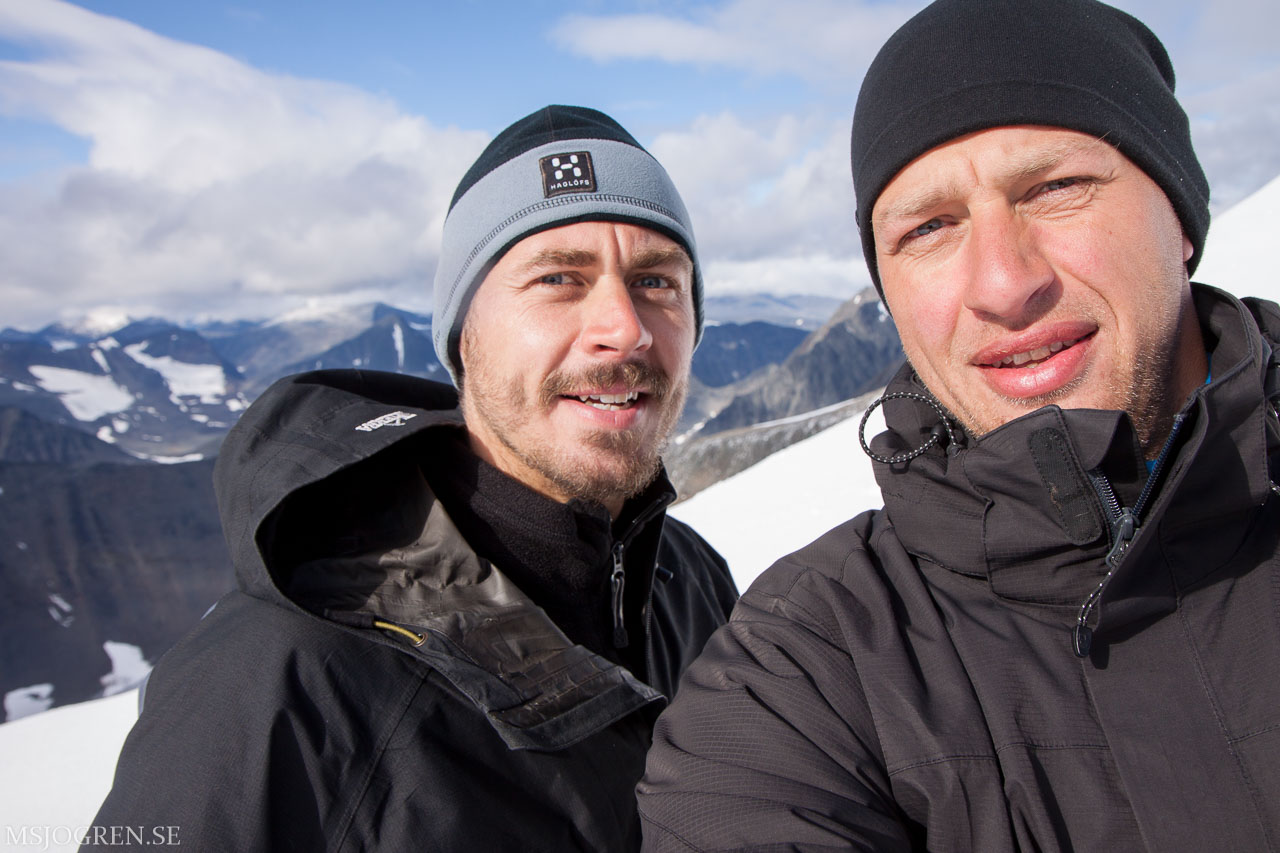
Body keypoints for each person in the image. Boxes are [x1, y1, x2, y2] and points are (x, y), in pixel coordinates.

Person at [636, 0, 1280, 849]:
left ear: (1181, 217)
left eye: (1055, 188)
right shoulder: (804, 671)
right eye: (930, 227)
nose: (1004, 284)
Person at [86, 105, 737, 852]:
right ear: (465, 336)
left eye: (657, 281)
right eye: (558, 278)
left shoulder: (693, 581)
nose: (625, 328)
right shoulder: (268, 687)